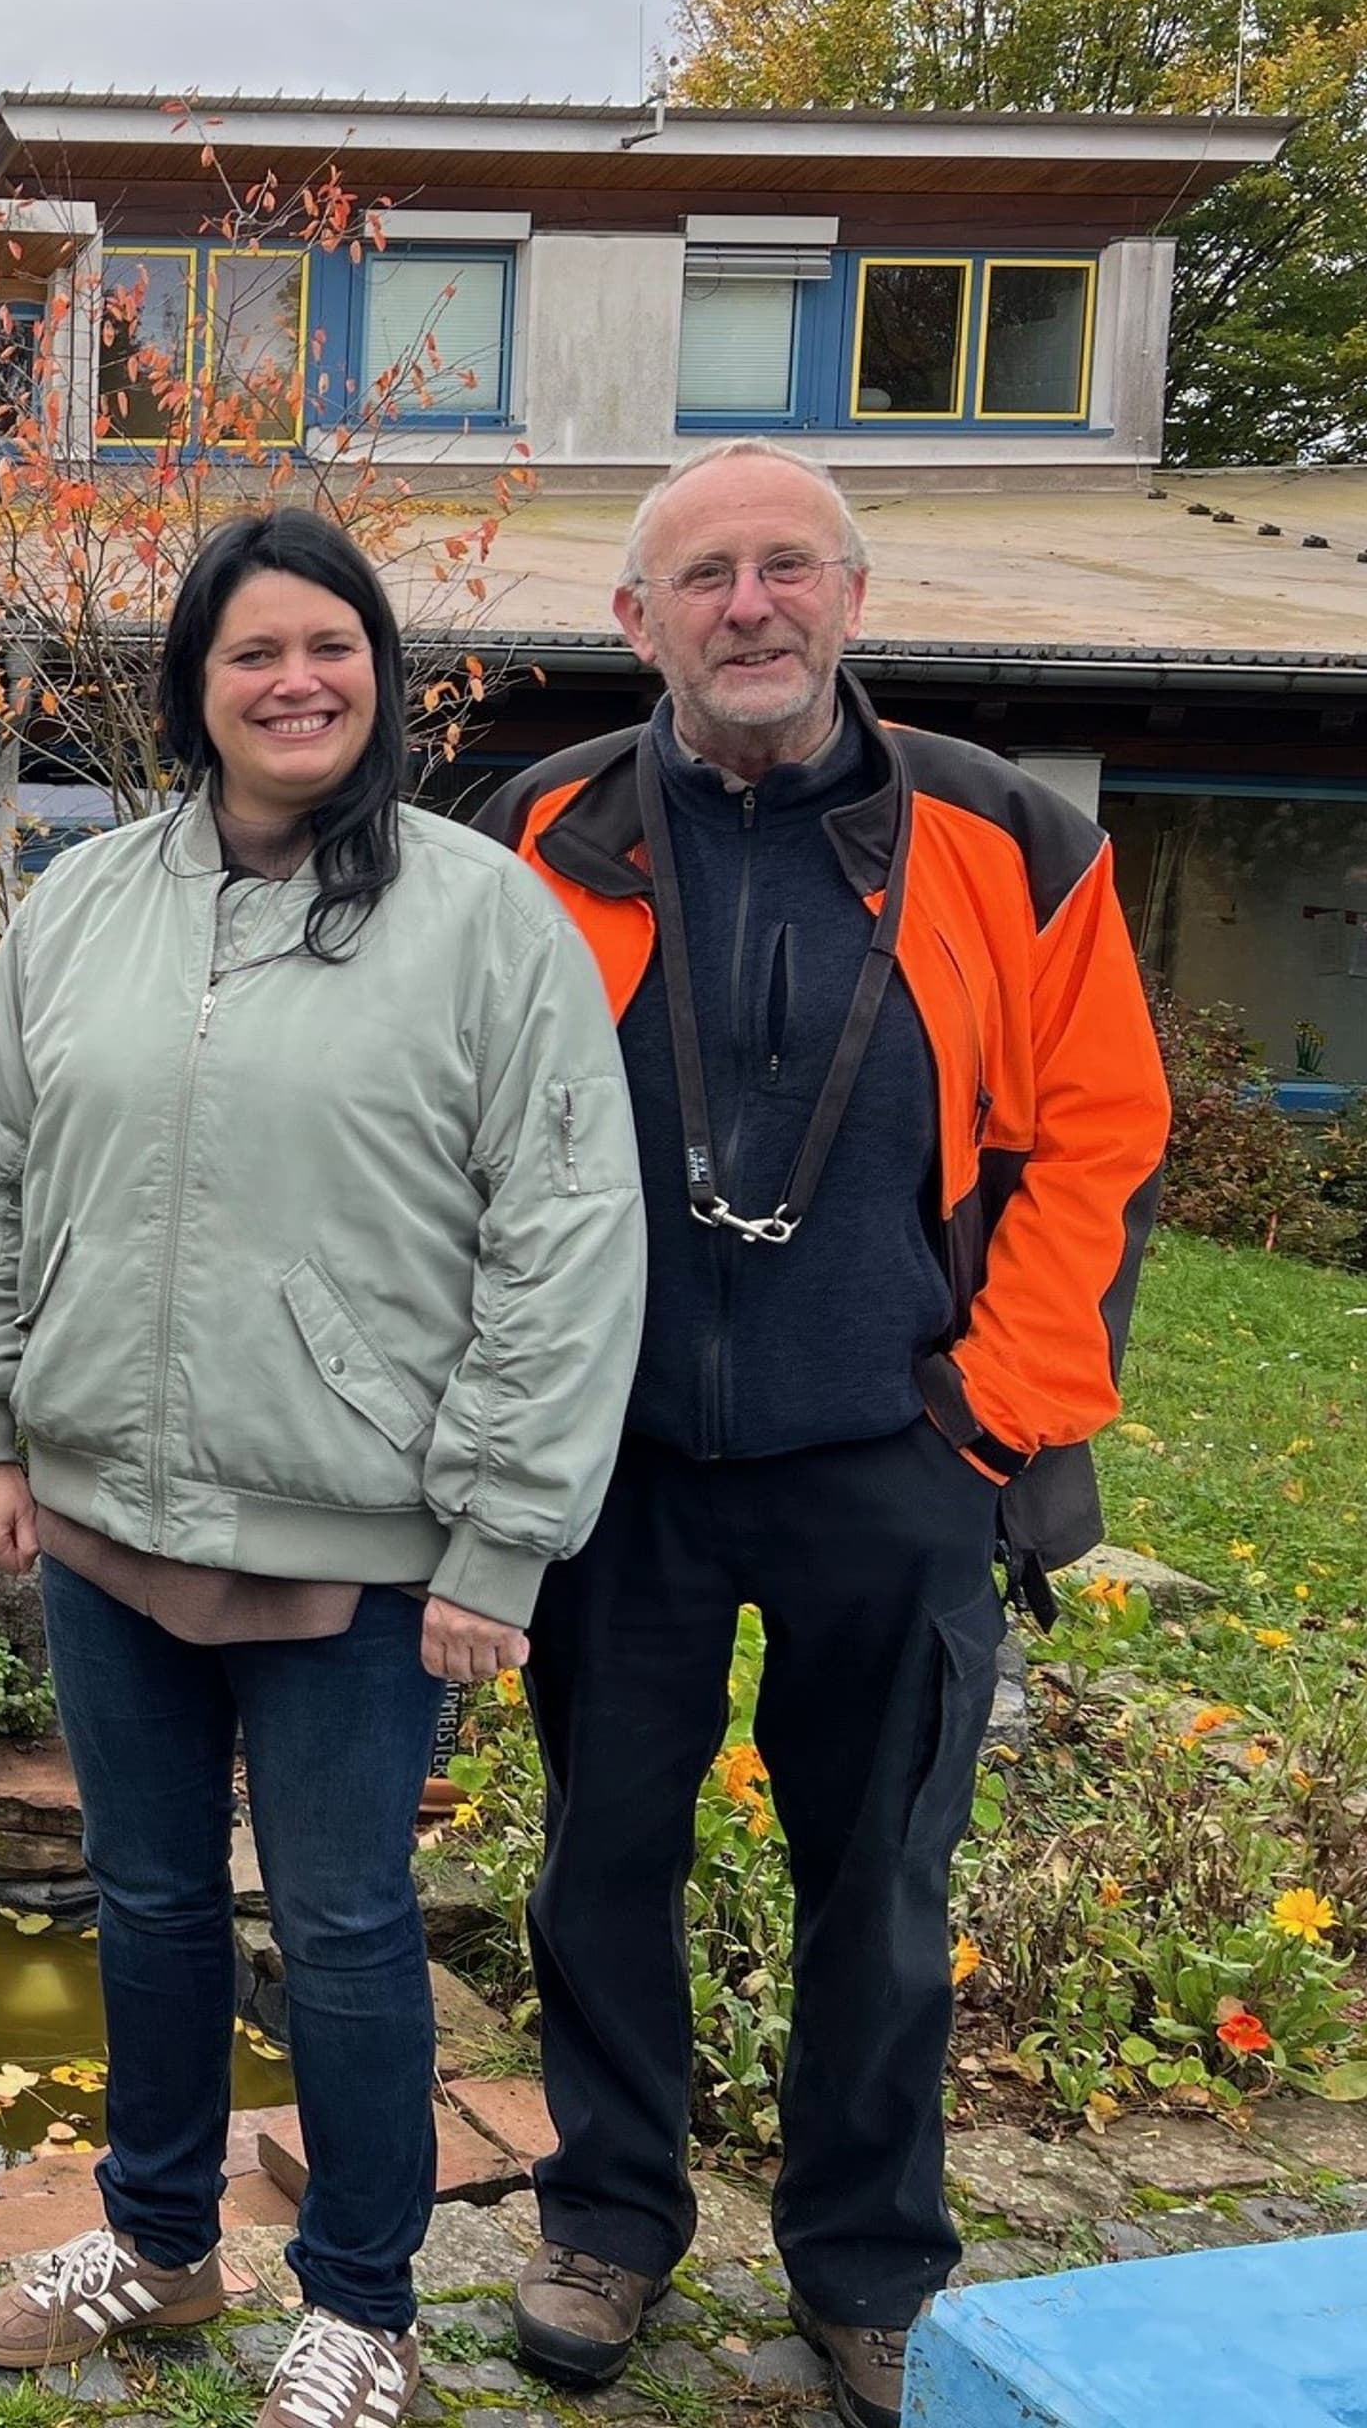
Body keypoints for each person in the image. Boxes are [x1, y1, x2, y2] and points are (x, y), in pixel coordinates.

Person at [0, 509, 646, 2428]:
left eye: (330, 644)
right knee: (144, 1903)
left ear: (382, 677)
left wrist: (498, 1536)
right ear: (194, 691)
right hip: (101, 1520)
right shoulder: (84, 903)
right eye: (250, 652)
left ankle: (362, 2305)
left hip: (358, 1547)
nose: (293, 678)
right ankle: (158, 2242)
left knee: (341, 1929)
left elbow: (565, 1239)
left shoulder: (484, 919)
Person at [482, 441, 1167, 2428]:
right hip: (612, 1465)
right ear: (637, 624)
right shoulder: (534, 830)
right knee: (602, 1857)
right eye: (705, 577)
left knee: (877, 1880)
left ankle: (869, 2271)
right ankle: (608, 2220)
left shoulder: (1011, 839)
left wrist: (993, 1414)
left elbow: (1100, 1140)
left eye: (790, 568)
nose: (751, 605)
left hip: (894, 1452)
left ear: (855, 599)